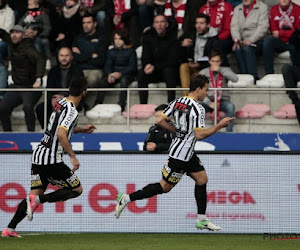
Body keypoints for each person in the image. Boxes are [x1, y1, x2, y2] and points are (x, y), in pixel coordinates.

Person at [115, 74, 234, 231]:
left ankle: (202, 219)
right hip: (181, 156)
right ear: (198, 89)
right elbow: (200, 135)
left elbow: (160, 120)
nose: (207, 93)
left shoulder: (178, 101)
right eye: (206, 90)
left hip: (186, 152)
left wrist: (177, 131)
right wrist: (219, 125)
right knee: (164, 187)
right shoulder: (198, 109)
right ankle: (127, 198)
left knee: (202, 179)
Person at [1, 77, 96, 238]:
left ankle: (9, 229)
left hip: (39, 155)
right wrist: (73, 157)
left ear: (69, 89)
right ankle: (39, 201)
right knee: (76, 189)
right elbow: (60, 133)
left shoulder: (62, 102)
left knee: (34, 193)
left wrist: (79, 129)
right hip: (51, 159)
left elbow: (57, 127)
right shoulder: (72, 110)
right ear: (84, 92)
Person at [0, 25, 46, 132]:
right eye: (12, 33)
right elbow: (2, 33)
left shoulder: (27, 47)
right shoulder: (11, 41)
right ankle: (8, 133)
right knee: (2, 108)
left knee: (28, 107)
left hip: (30, 87)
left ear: (23, 35)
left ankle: (31, 134)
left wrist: (38, 79)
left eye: (17, 33)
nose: (14, 35)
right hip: (16, 86)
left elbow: (40, 59)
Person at [35, 47, 84, 129]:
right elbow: (49, 89)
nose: (64, 58)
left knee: (66, 108)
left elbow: (78, 90)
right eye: (61, 56)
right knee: (40, 108)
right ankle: (47, 131)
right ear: (58, 57)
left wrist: (64, 98)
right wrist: (53, 98)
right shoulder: (53, 70)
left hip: (72, 100)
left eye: (66, 55)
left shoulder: (77, 70)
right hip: (56, 100)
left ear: (71, 57)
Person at [137, 14, 180, 104]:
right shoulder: (148, 36)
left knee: (169, 71)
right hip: (155, 71)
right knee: (142, 73)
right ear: (153, 25)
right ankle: (143, 104)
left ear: (166, 24)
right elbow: (145, 56)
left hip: (168, 70)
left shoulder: (173, 37)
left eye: (162, 22)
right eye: (157, 22)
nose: (159, 25)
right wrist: (147, 65)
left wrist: (154, 66)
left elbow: (172, 60)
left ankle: (171, 103)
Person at [95, 28, 137, 112]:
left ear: (125, 39)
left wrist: (121, 73)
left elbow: (132, 67)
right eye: (115, 39)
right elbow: (107, 65)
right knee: (103, 80)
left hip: (127, 75)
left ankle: (121, 105)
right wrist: (110, 74)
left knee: (124, 81)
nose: (117, 41)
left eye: (120, 38)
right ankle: (97, 104)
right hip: (114, 75)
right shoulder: (111, 51)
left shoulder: (131, 51)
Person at [72, 12, 107, 111]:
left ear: (95, 24)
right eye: (84, 23)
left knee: (89, 81)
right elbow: (74, 58)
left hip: (95, 70)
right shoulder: (78, 38)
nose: (85, 25)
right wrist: (91, 55)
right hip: (80, 69)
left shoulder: (102, 38)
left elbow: (100, 60)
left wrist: (82, 55)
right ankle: (82, 105)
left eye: (88, 22)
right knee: (74, 80)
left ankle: (81, 105)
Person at [179, 13, 220, 95]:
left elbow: (215, 59)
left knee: (200, 75)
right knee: (183, 66)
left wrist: (200, 65)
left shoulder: (215, 40)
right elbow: (178, 51)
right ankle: (188, 97)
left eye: (201, 23)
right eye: (197, 23)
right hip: (191, 65)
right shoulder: (191, 34)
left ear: (208, 25)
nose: (198, 26)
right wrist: (182, 45)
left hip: (205, 67)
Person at [199, 49, 238, 132]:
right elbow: (199, 92)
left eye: (217, 61)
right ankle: (198, 131)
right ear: (209, 61)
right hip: (208, 100)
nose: (215, 64)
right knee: (197, 105)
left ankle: (229, 132)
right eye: (213, 61)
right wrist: (209, 103)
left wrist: (220, 69)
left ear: (221, 61)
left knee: (231, 107)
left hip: (223, 100)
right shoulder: (203, 72)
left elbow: (235, 79)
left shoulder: (225, 69)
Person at [230, 0, 269, 81]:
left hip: (258, 40)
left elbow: (263, 27)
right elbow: (234, 26)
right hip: (242, 40)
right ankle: (244, 76)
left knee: (247, 48)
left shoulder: (262, 7)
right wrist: (237, 39)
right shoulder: (237, 8)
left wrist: (251, 40)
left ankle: (253, 76)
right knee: (237, 48)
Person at [263, 0, 300, 74]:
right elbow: (273, 32)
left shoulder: (298, 9)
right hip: (280, 42)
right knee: (268, 42)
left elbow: (298, 32)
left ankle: (296, 73)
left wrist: (280, 33)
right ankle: (269, 74)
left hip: (294, 41)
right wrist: (288, 33)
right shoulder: (273, 10)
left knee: (295, 46)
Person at [199, 0, 234, 66]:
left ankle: (224, 71)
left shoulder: (227, 6)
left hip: (224, 39)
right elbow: (200, 28)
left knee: (215, 44)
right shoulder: (203, 9)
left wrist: (214, 39)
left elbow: (228, 30)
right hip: (207, 38)